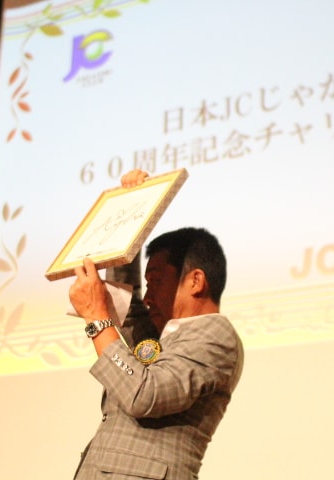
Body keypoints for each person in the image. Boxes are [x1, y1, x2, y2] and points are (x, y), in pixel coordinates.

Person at [69, 169, 245, 479]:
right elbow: (130, 311)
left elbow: (144, 395)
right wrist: (130, 212)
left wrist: (96, 318)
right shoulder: (164, 335)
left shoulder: (216, 336)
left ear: (195, 281)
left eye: (157, 282)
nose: (148, 296)